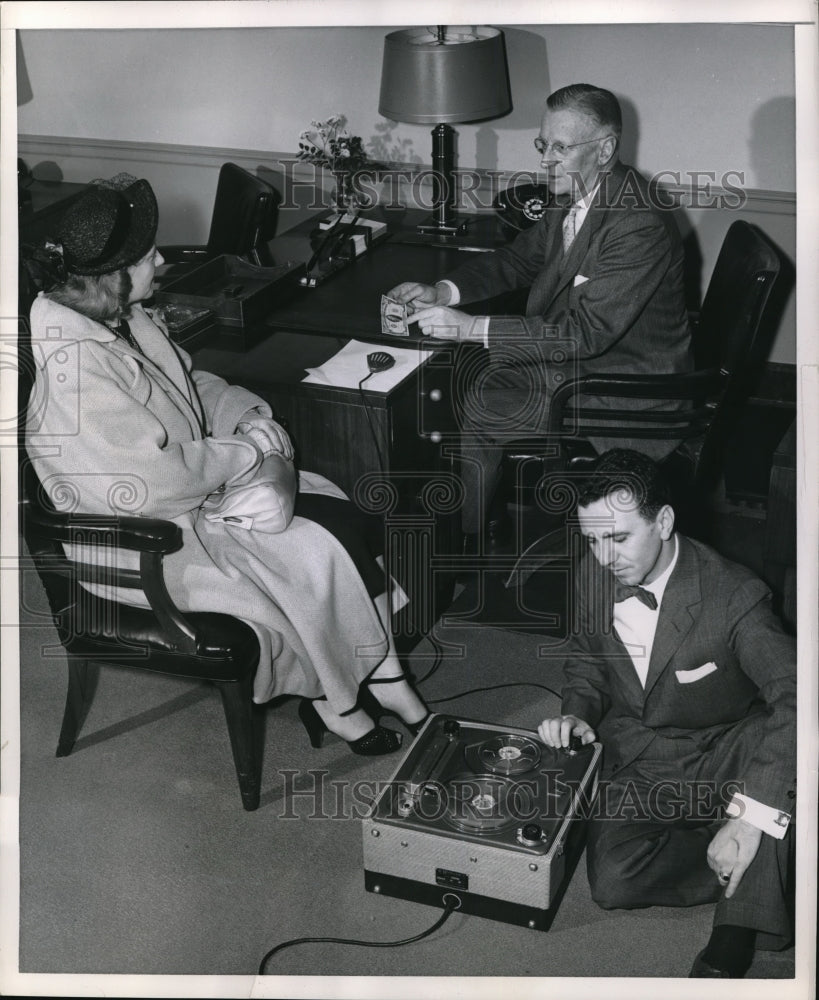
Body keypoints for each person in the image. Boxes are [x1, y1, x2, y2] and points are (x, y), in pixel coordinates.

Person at [24, 173, 428, 756]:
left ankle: (382, 676)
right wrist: (249, 453)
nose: (160, 260)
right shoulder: (73, 363)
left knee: (342, 517)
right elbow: (146, 483)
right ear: (108, 275)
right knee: (313, 550)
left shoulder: (122, 315)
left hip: (191, 496)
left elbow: (189, 382)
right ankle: (339, 701)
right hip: (141, 540)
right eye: (146, 256)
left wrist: (245, 417)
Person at [387, 84, 692, 548]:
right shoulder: (578, 189)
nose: (546, 160)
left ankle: (464, 541)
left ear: (606, 149)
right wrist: (443, 290)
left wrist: (471, 328)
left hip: (626, 390)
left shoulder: (636, 221)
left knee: (474, 405)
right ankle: (476, 517)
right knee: (459, 383)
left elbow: (586, 335)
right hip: (586, 365)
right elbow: (518, 261)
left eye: (561, 148)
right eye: (542, 145)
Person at [537, 448, 795, 978]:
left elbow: (802, 695)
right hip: (643, 754)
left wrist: (750, 819)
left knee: (776, 779)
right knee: (611, 882)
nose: (604, 557)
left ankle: (738, 922)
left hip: (727, 749)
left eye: (618, 538)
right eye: (591, 539)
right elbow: (586, 661)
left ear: (664, 520)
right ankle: (778, 858)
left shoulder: (735, 596)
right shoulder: (592, 574)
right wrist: (578, 712)